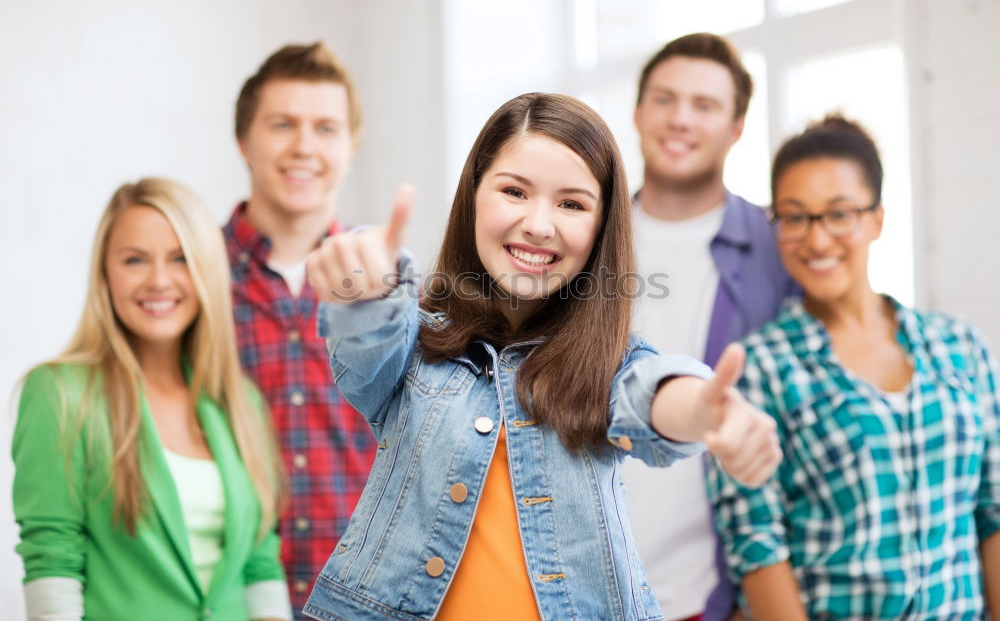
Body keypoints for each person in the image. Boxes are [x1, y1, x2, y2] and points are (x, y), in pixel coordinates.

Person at [299, 92, 781, 621]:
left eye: (572, 204)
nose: (539, 224)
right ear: (474, 195)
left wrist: (708, 412)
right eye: (514, 191)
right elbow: (367, 338)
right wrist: (363, 286)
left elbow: (654, 393)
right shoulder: (414, 345)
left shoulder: (606, 364)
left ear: (601, 230)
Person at [707, 114, 1000, 618]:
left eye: (839, 214)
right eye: (795, 217)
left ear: (876, 218)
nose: (817, 241)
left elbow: (993, 510)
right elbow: (757, 545)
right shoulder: (758, 369)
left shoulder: (959, 346)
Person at [12, 178, 289, 620]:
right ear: (105, 273)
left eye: (180, 258)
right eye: (135, 260)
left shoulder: (241, 403)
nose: (159, 280)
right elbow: (53, 558)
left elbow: (260, 563)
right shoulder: (59, 393)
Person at [624, 32, 798, 621]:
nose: (680, 119)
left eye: (704, 105)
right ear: (638, 111)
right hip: (579, 582)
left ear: (737, 127)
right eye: (665, 99)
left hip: (715, 594)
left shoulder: (779, 250)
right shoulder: (582, 239)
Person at [224, 41, 377, 615]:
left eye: (325, 128)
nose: (303, 147)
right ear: (244, 140)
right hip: (224, 594)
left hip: (363, 598)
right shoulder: (188, 281)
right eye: (282, 124)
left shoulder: (388, 282)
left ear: (350, 145)